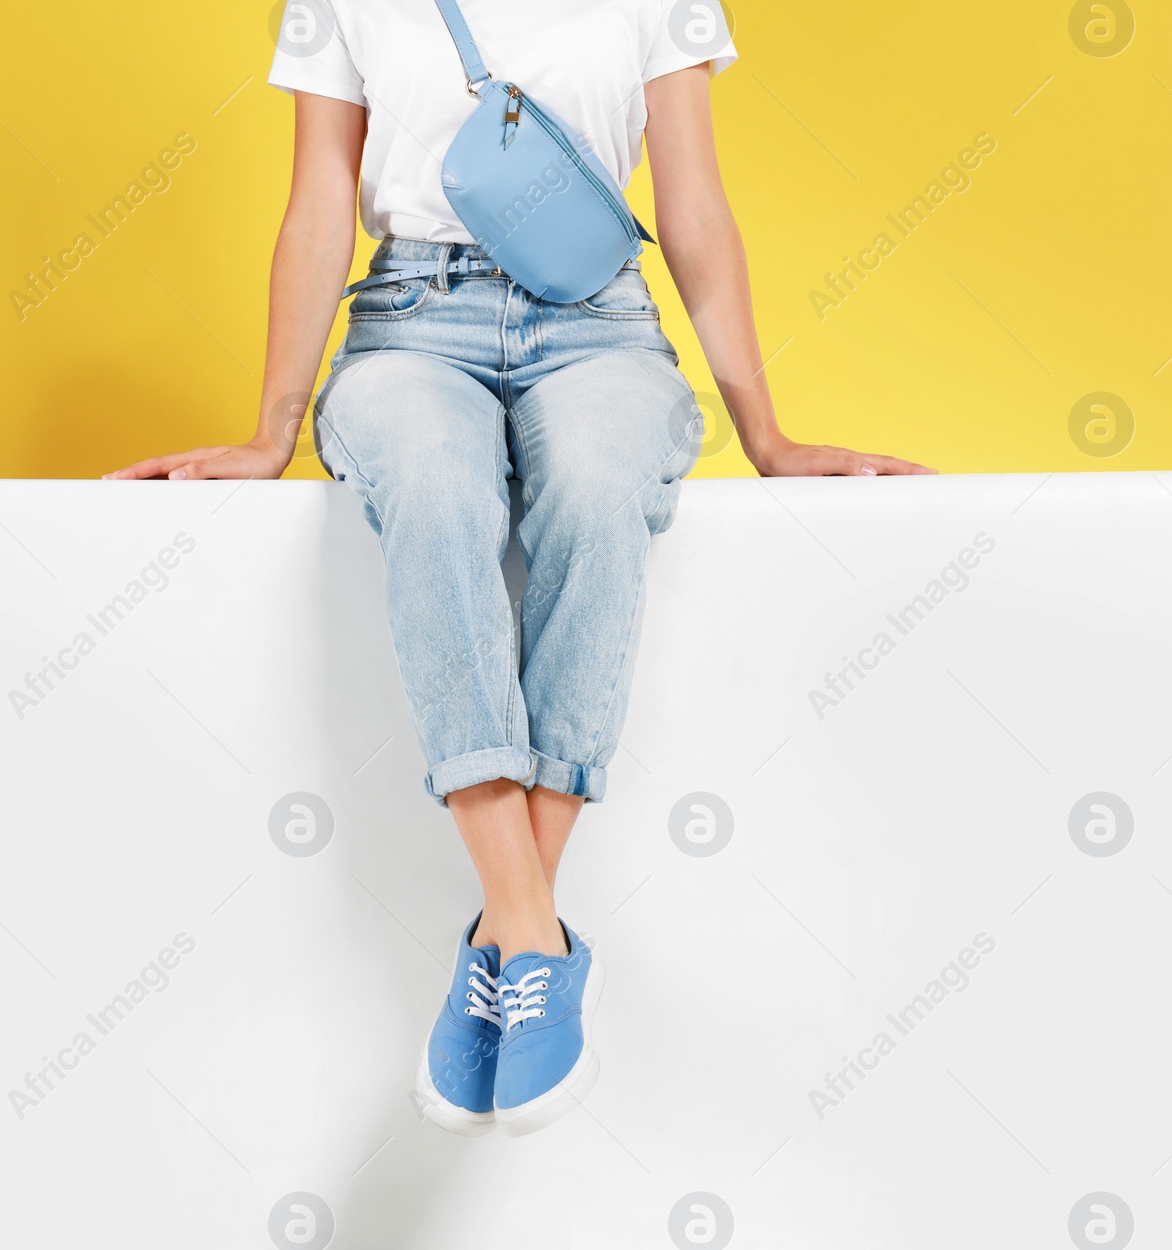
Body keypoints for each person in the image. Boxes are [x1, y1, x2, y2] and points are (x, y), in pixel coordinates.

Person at [107, 0, 932, 1137]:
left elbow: (690, 207)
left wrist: (767, 436)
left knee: (599, 490)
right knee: (437, 491)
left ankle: (504, 936)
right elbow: (317, 208)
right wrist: (271, 433)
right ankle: (533, 931)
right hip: (408, 322)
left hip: (600, 326)